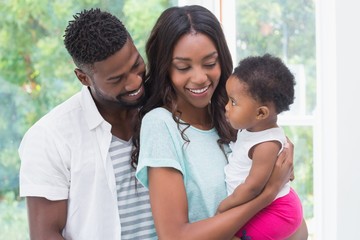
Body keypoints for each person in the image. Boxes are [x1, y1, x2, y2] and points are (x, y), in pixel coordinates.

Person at [133, 5, 307, 239]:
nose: (199, 78)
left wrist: (276, 188)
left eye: (209, 63)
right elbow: (174, 236)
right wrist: (267, 193)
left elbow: (292, 222)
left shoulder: (241, 117)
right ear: (166, 68)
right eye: (183, 67)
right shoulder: (160, 125)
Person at [18, 8, 157, 239]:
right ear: (84, 78)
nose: (134, 83)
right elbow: (45, 235)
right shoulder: (49, 137)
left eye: (135, 65)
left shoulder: (159, 106)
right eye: (117, 79)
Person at [217, 54, 303, 239]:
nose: (226, 107)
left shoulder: (265, 145)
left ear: (261, 113)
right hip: (271, 206)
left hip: (278, 211)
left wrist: (226, 206)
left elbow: (253, 187)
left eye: (233, 102)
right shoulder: (252, 129)